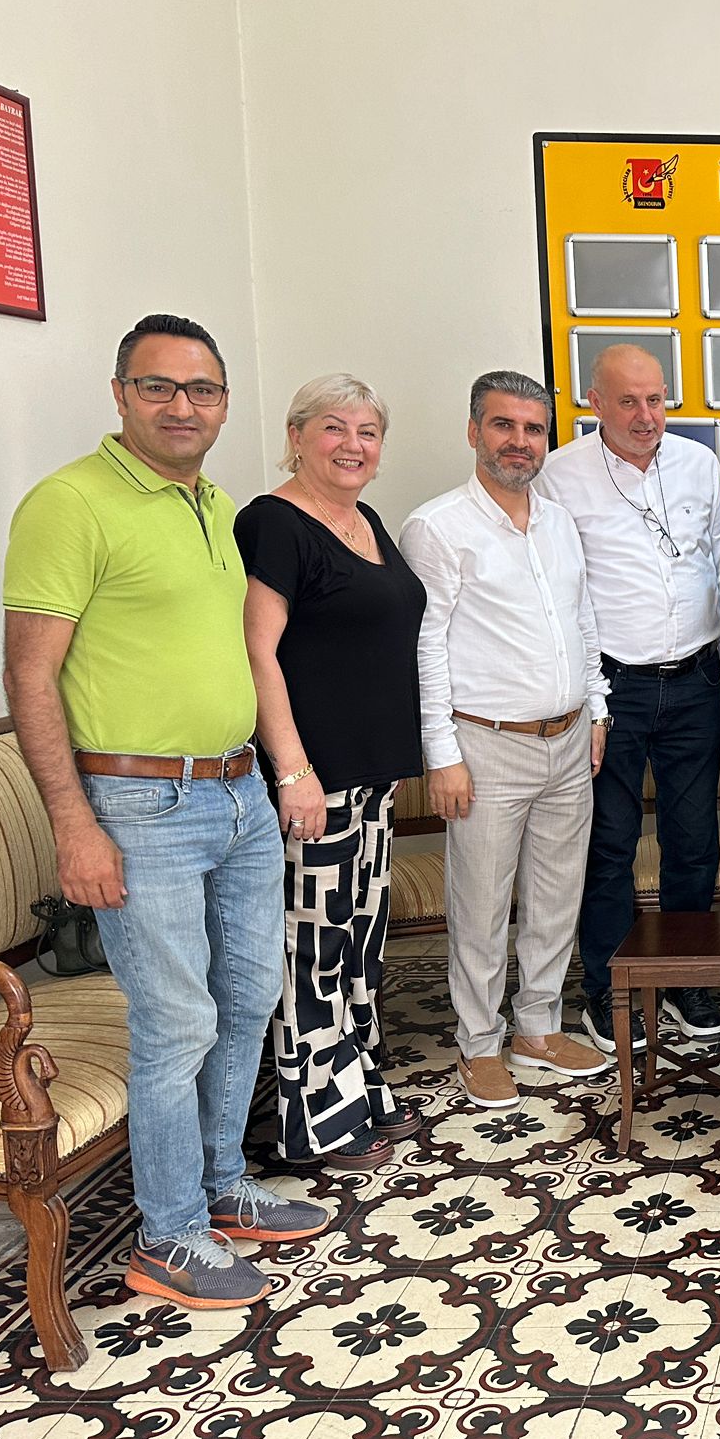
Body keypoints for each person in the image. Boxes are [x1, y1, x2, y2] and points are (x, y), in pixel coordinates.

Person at [3, 313, 328, 1311]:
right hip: (137, 802)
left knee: (248, 997)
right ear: (120, 395)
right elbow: (29, 676)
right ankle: (171, 1234)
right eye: (159, 386)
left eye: (203, 390)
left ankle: (222, 1185)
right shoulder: (69, 503)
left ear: (225, 404)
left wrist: (274, 773)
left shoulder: (214, 504)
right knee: (176, 1019)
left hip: (235, 792)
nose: (182, 406)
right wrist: (74, 823)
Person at [400, 371, 612, 1111]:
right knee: (482, 903)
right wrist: (443, 756)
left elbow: (582, 620)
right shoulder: (436, 528)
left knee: (557, 894)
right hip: (485, 745)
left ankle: (539, 1029)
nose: (519, 441)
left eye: (532, 428)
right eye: (503, 425)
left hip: (569, 736)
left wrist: (598, 708)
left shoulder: (558, 521)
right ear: (474, 431)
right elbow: (426, 647)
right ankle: (479, 1043)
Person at [237, 374, 426, 1167]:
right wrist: (292, 769)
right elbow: (256, 651)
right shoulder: (273, 522)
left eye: (368, 432)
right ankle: (314, 1118)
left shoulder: (364, 520)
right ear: (297, 436)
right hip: (313, 782)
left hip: (369, 778)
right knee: (310, 950)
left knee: (357, 946)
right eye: (334, 428)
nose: (354, 445)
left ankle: (359, 1085)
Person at [534, 344, 720, 1052]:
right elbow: (559, 593)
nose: (646, 415)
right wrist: (592, 701)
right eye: (628, 401)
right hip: (614, 687)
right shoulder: (559, 474)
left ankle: (685, 980)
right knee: (609, 845)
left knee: (693, 843)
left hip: (696, 681)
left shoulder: (699, 464)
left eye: (656, 399)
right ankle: (610, 990)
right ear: (595, 404)